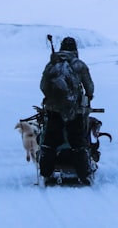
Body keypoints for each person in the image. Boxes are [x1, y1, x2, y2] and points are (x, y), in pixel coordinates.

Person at [39, 36, 95, 185]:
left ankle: (46, 171)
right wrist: (88, 96)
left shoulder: (52, 64)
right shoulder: (79, 65)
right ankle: (83, 173)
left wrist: (52, 98)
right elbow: (89, 86)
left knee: (50, 139)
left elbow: (43, 86)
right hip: (74, 110)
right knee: (77, 140)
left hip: (53, 109)